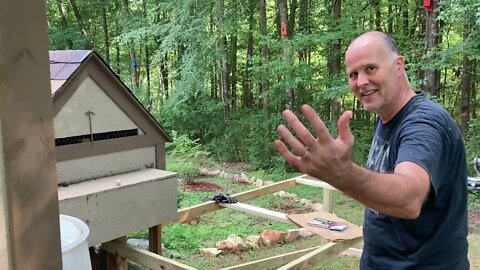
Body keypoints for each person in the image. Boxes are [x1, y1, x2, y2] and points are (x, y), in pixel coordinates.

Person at [275, 31, 469, 269]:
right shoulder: (386, 117)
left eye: (371, 69)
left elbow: (409, 198)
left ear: (399, 66)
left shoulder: (424, 122)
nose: (361, 81)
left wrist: (342, 173)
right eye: (353, 74)